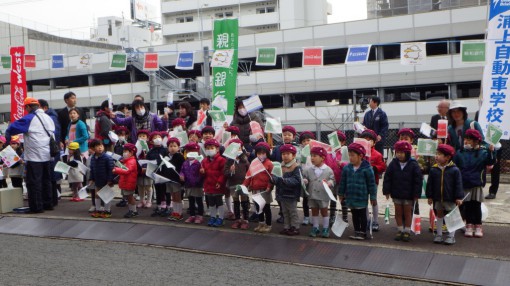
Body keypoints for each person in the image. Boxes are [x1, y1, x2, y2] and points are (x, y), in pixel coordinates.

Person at [6, 97, 55, 213]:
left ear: (28, 107)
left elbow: (11, 128)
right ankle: (48, 204)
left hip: (35, 156)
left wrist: (7, 142)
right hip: (48, 155)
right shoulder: (48, 118)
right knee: (46, 180)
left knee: (33, 182)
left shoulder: (30, 118)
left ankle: (36, 207)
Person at [454, 129, 495, 238]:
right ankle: (469, 225)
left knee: (476, 205)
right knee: (467, 206)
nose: (466, 141)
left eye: (469, 139)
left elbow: (490, 162)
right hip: (465, 183)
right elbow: (455, 166)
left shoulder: (483, 152)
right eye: (466, 139)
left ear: (476, 141)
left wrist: (491, 151)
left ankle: (478, 226)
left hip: (476, 183)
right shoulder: (460, 152)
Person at [383, 141, 422, 242]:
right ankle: (400, 229)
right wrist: (386, 191)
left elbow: (418, 180)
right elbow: (387, 177)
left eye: (402, 152)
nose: (399, 154)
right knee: (398, 212)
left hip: (409, 195)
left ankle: (407, 231)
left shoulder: (413, 164)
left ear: (407, 153)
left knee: (407, 213)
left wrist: (417, 194)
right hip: (396, 193)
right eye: (397, 152)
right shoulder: (393, 163)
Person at [426, 144, 464, 245]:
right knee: (439, 215)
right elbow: (429, 184)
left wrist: (459, 197)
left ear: (447, 157)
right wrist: (429, 196)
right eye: (436, 154)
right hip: (438, 198)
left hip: (450, 198)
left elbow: (458, 184)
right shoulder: (434, 169)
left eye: (439, 154)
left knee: (451, 216)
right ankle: (439, 234)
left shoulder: (454, 170)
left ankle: (451, 236)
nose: (436, 156)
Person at [338, 143, 377, 240]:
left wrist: (373, 197)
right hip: (350, 196)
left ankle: (363, 232)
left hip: (362, 196)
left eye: (353, 155)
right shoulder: (347, 168)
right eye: (349, 155)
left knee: (362, 214)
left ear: (360, 156)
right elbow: (342, 182)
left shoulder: (367, 169)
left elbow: (372, 184)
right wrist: (341, 193)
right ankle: (356, 231)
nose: (350, 158)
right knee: (354, 214)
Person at [303, 147, 336, 238]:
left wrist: (330, 183)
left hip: (323, 194)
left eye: (315, 156)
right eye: (311, 156)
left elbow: (333, 180)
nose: (312, 158)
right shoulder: (309, 169)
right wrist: (305, 180)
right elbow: (306, 177)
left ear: (322, 158)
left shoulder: (328, 170)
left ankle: (325, 228)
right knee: (314, 211)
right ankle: (315, 227)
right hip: (312, 194)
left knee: (324, 211)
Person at [271, 125, 299, 224]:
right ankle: (282, 214)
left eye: (289, 135)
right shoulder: (278, 147)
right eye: (284, 134)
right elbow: (272, 158)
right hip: (279, 174)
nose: (286, 136)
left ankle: (292, 218)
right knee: (279, 196)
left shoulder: (296, 148)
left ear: (293, 137)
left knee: (290, 197)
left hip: (291, 174)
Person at [243, 142, 274, 233]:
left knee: (266, 208)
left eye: (263, 153)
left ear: (267, 153)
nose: (261, 155)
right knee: (258, 207)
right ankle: (261, 223)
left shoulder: (269, 164)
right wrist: (244, 185)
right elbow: (249, 175)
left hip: (265, 189)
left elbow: (272, 177)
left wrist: (269, 187)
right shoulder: (254, 162)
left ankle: (268, 225)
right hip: (255, 189)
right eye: (259, 153)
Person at [359, 129, 386, 231]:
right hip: (361, 182)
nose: (367, 142)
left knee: (373, 200)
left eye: (370, 140)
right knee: (364, 201)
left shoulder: (377, 154)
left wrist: (374, 168)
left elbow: (382, 167)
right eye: (364, 139)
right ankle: (366, 220)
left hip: (373, 181)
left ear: (374, 142)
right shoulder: (359, 154)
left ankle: (375, 221)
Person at [273, 144, 302, 236]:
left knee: (292, 211)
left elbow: (297, 180)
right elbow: (276, 178)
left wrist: (285, 180)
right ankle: (287, 227)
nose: (285, 156)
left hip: (291, 194)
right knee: (284, 212)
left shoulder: (296, 166)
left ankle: (295, 227)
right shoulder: (279, 166)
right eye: (283, 154)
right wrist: (273, 179)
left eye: (288, 154)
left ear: (293, 155)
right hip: (281, 193)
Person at [475, 111, 502, 200]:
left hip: (496, 144)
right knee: (480, 166)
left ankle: (493, 191)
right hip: (483, 144)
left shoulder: (503, 110)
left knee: (495, 168)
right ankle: (479, 188)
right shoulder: (479, 112)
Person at [224, 139, 250, 230]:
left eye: (239, 147)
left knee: (244, 201)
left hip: (243, 184)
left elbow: (249, 171)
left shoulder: (245, 159)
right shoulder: (229, 161)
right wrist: (230, 170)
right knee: (235, 201)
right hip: (233, 183)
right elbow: (225, 172)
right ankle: (237, 219)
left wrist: (248, 182)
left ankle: (245, 219)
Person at [201, 139, 227, 227]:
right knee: (211, 202)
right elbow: (203, 174)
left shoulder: (221, 160)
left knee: (219, 201)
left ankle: (221, 217)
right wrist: (202, 172)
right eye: (207, 148)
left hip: (217, 185)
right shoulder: (204, 161)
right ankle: (213, 216)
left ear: (217, 149)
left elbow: (223, 173)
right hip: (208, 184)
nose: (210, 150)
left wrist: (220, 182)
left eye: (212, 148)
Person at [325, 130, 349, 224]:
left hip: (342, 179)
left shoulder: (345, 151)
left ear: (343, 142)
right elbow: (325, 164)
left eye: (338, 140)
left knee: (343, 199)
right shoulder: (328, 152)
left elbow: (349, 164)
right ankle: (332, 216)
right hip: (332, 179)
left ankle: (345, 217)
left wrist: (342, 164)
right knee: (332, 198)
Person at [89, 139, 115, 218]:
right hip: (98, 180)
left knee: (106, 196)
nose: (100, 148)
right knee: (97, 195)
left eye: (101, 146)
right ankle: (98, 210)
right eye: (97, 146)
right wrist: (91, 179)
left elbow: (111, 169)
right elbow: (92, 169)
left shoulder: (107, 158)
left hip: (106, 180)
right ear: (93, 149)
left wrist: (110, 180)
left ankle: (107, 211)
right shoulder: (93, 158)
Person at [113, 143, 139, 218]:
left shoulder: (132, 161)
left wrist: (116, 169)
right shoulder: (126, 161)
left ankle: (134, 211)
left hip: (129, 182)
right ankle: (131, 210)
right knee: (128, 197)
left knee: (130, 197)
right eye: (124, 151)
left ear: (131, 153)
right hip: (126, 182)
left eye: (126, 151)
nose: (124, 153)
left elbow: (127, 171)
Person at [181, 142, 205, 224]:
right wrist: (182, 175)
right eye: (189, 151)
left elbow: (203, 173)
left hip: (197, 185)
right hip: (188, 184)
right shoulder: (185, 163)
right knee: (191, 200)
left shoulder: (199, 162)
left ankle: (200, 215)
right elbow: (182, 170)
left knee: (199, 200)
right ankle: (192, 215)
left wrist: (202, 172)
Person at [162, 138, 185, 220]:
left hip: (176, 180)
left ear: (178, 147)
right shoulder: (166, 157)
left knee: (178, 197)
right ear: (168, 147)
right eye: (170, 146)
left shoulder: (180, 157)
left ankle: (179, 213)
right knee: (173, 197)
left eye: (175, 146)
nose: (172, 148)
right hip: (169, 180)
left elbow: (182, 169)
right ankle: (175, 212)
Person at [299, 131, 315, 225]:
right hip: (304, 178)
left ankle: (314, 217)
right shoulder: (300, 152)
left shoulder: (314, 151)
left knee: (313, 199)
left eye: (308, 140)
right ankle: (306, 216)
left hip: (313, 178)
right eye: (304, 141)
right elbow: (299, 165)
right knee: (305, 199)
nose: (306, 142)